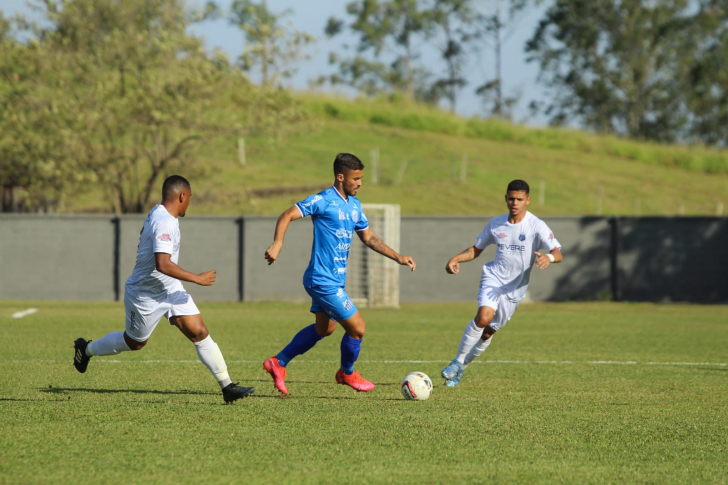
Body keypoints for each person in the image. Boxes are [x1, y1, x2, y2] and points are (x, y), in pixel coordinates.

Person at [72, 175, 255, 404]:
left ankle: (228, 387)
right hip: (144, 295)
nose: (189, 203)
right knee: (135, 342)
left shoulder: (162, 212)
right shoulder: (165, 221)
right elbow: (163, 264)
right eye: (189, 198)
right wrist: (196, 278)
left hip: (169, 288)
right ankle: (86, 349)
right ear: (181, 196)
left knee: (198, 331)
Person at [262, 153, 416, 395]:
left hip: (334, 280)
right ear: (341, 177)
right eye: (356, 178)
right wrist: (278, 243)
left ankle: (278, 362)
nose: (360, 183)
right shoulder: (322, 200)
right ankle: (346, 373)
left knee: (325, 329)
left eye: (361, 178)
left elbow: (368, 237)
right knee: (358, 329)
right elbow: (287, 215)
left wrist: (398, 256)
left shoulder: (354, 206)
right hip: (322, 280)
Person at [440, 179, 563, 386]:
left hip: (515, 289)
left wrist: (548, 258)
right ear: (506, 198)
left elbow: (558, 253)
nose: (515, 203)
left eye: (520, 199)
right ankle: (456, 361)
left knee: (488, 332)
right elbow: (476, 250)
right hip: (494, 278)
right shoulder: (496, 224)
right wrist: (456, 258)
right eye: (511, 198)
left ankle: (462, 369)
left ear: (528, 200)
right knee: (483, 316)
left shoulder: (536, 225)